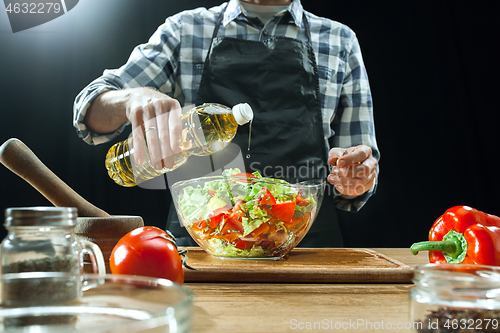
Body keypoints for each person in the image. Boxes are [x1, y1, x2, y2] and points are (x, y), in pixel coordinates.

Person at [73, 0, 379, 247]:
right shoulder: (185, 30)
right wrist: (131, 99)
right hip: (202, 243)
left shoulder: (339, 40)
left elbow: (355, 181)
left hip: (306, 246)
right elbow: (89, 110)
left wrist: (356, 175)